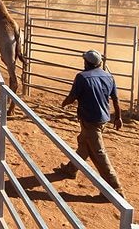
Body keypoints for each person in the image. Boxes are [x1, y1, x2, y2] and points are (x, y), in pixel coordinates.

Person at [55, 49, 125, 198]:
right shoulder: (109, 77)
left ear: (86, 63)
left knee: (99, 154)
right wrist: (118, 117)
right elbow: (116, 100)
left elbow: (72, 96)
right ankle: (71, 169)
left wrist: (65, 103)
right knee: (84, 144)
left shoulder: (81, 77)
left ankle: (115, 190)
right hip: (103, 119)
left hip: (89, 119)